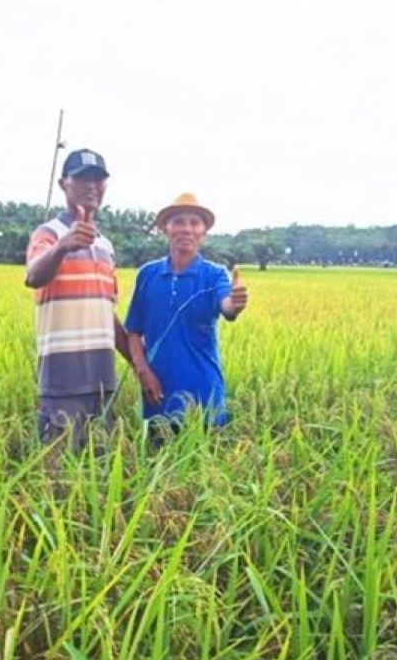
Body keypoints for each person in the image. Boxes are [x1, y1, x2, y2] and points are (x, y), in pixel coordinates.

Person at [24, 148, 132, 447]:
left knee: (98, 470)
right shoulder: (48, 234)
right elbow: (33, 277)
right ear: (63, 184)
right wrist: (62, 247)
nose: (91, 186)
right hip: (63, 379)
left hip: (102, 379)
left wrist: (138, 364)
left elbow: (106, 313)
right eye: (82, 178)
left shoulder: (105, 246)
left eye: (98, 179)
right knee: (58, 473)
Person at [124, 193, 248, 441]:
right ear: (165, 229)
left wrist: (235, 303)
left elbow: (227, 307)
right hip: (158, 393)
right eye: (179, 221)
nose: (187, 229)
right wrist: (143, 372)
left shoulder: (214, 275)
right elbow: (134, 331)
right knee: (157, 466)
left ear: (204, 232)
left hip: (204, 392)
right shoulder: (147, 275)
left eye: (195, 223)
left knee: (205, 469)